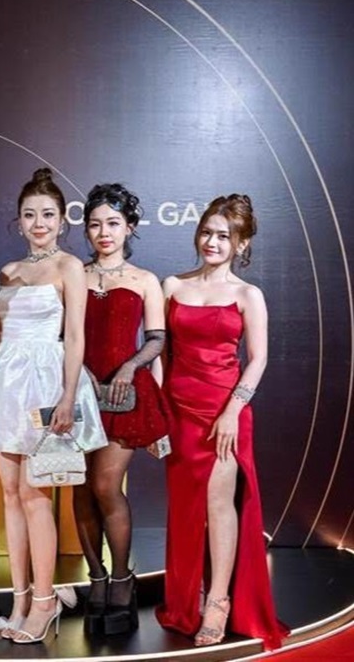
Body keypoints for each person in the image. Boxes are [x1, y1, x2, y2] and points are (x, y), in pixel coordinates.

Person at [0, 168, 106, 644]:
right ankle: (21, 599)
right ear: (19, 220)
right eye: (30, 215)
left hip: (46, 385)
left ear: (62, 220)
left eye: (47, 214)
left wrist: (67, 397)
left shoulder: (70, 267)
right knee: (9, 493)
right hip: (7, 383)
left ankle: (46, 602)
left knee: (35, 493)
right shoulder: (7, 271)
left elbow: (76, 337)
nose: (39, 223)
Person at [155, 194, 287, 649]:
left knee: (218, 504)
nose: (212, 242)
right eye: (206, 233)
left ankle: (218, 602)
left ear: (241, 243)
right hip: (178, 413)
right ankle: (186, 598)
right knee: (185, 509)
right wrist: (158, 416)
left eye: (223, 236)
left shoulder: (248, 295)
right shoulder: (173, 285)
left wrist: (232, 411)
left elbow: (259, 358)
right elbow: (162, 355)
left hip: (224, 415)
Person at [73, 183, 169, 636]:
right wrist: (78, 373)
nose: (104, 232)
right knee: (80, 490)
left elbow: (157, 338)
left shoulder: (145, 279)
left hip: (123, 395)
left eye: (113, 223)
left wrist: (131, 366)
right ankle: (96, 580)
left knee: (105, 485)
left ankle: (122, 579)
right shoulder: (74, 274)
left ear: (129, 227)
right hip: (77, 392)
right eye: (95, 224)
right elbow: (60, 333)